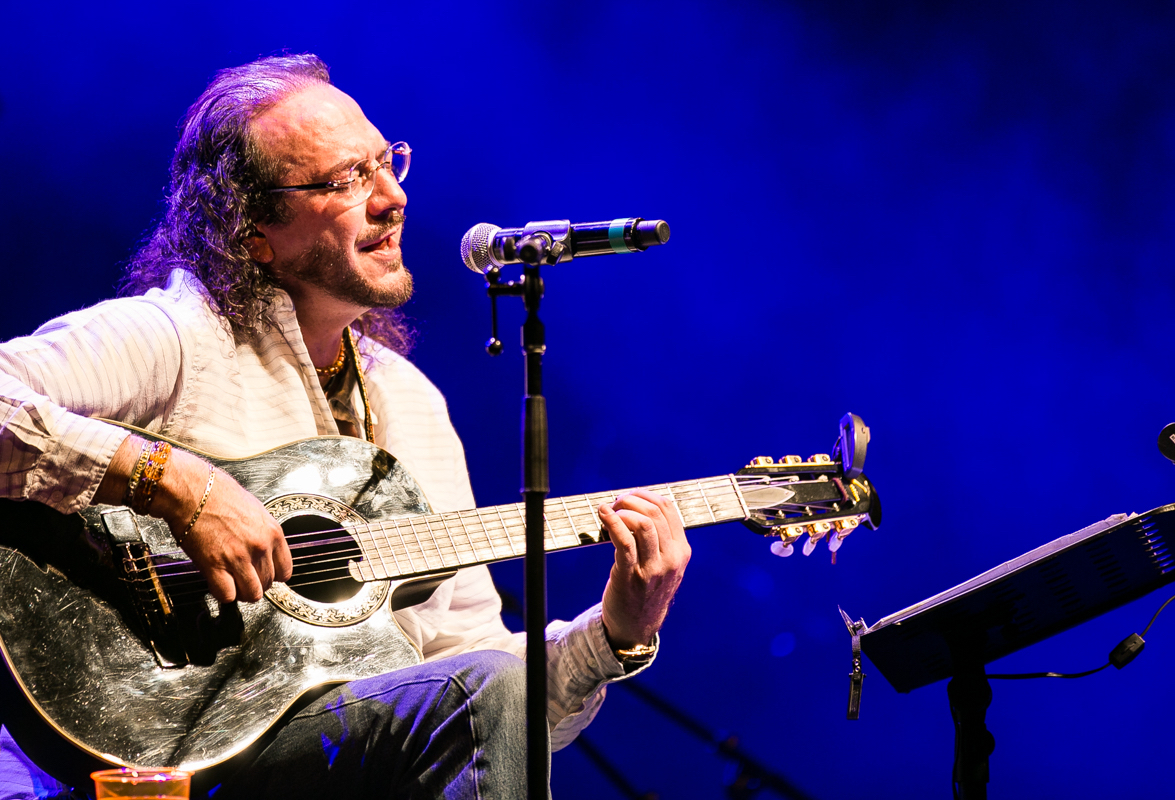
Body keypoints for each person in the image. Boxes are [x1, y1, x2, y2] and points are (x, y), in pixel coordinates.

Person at [0, 53, 690, 799]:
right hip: (151, 748)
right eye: (345, 180)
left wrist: (616, 635)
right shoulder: (176, 339)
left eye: (386, 163)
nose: (392, 198)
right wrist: (179, 484)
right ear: (252, 230)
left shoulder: (411, 404)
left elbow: (483, 690)